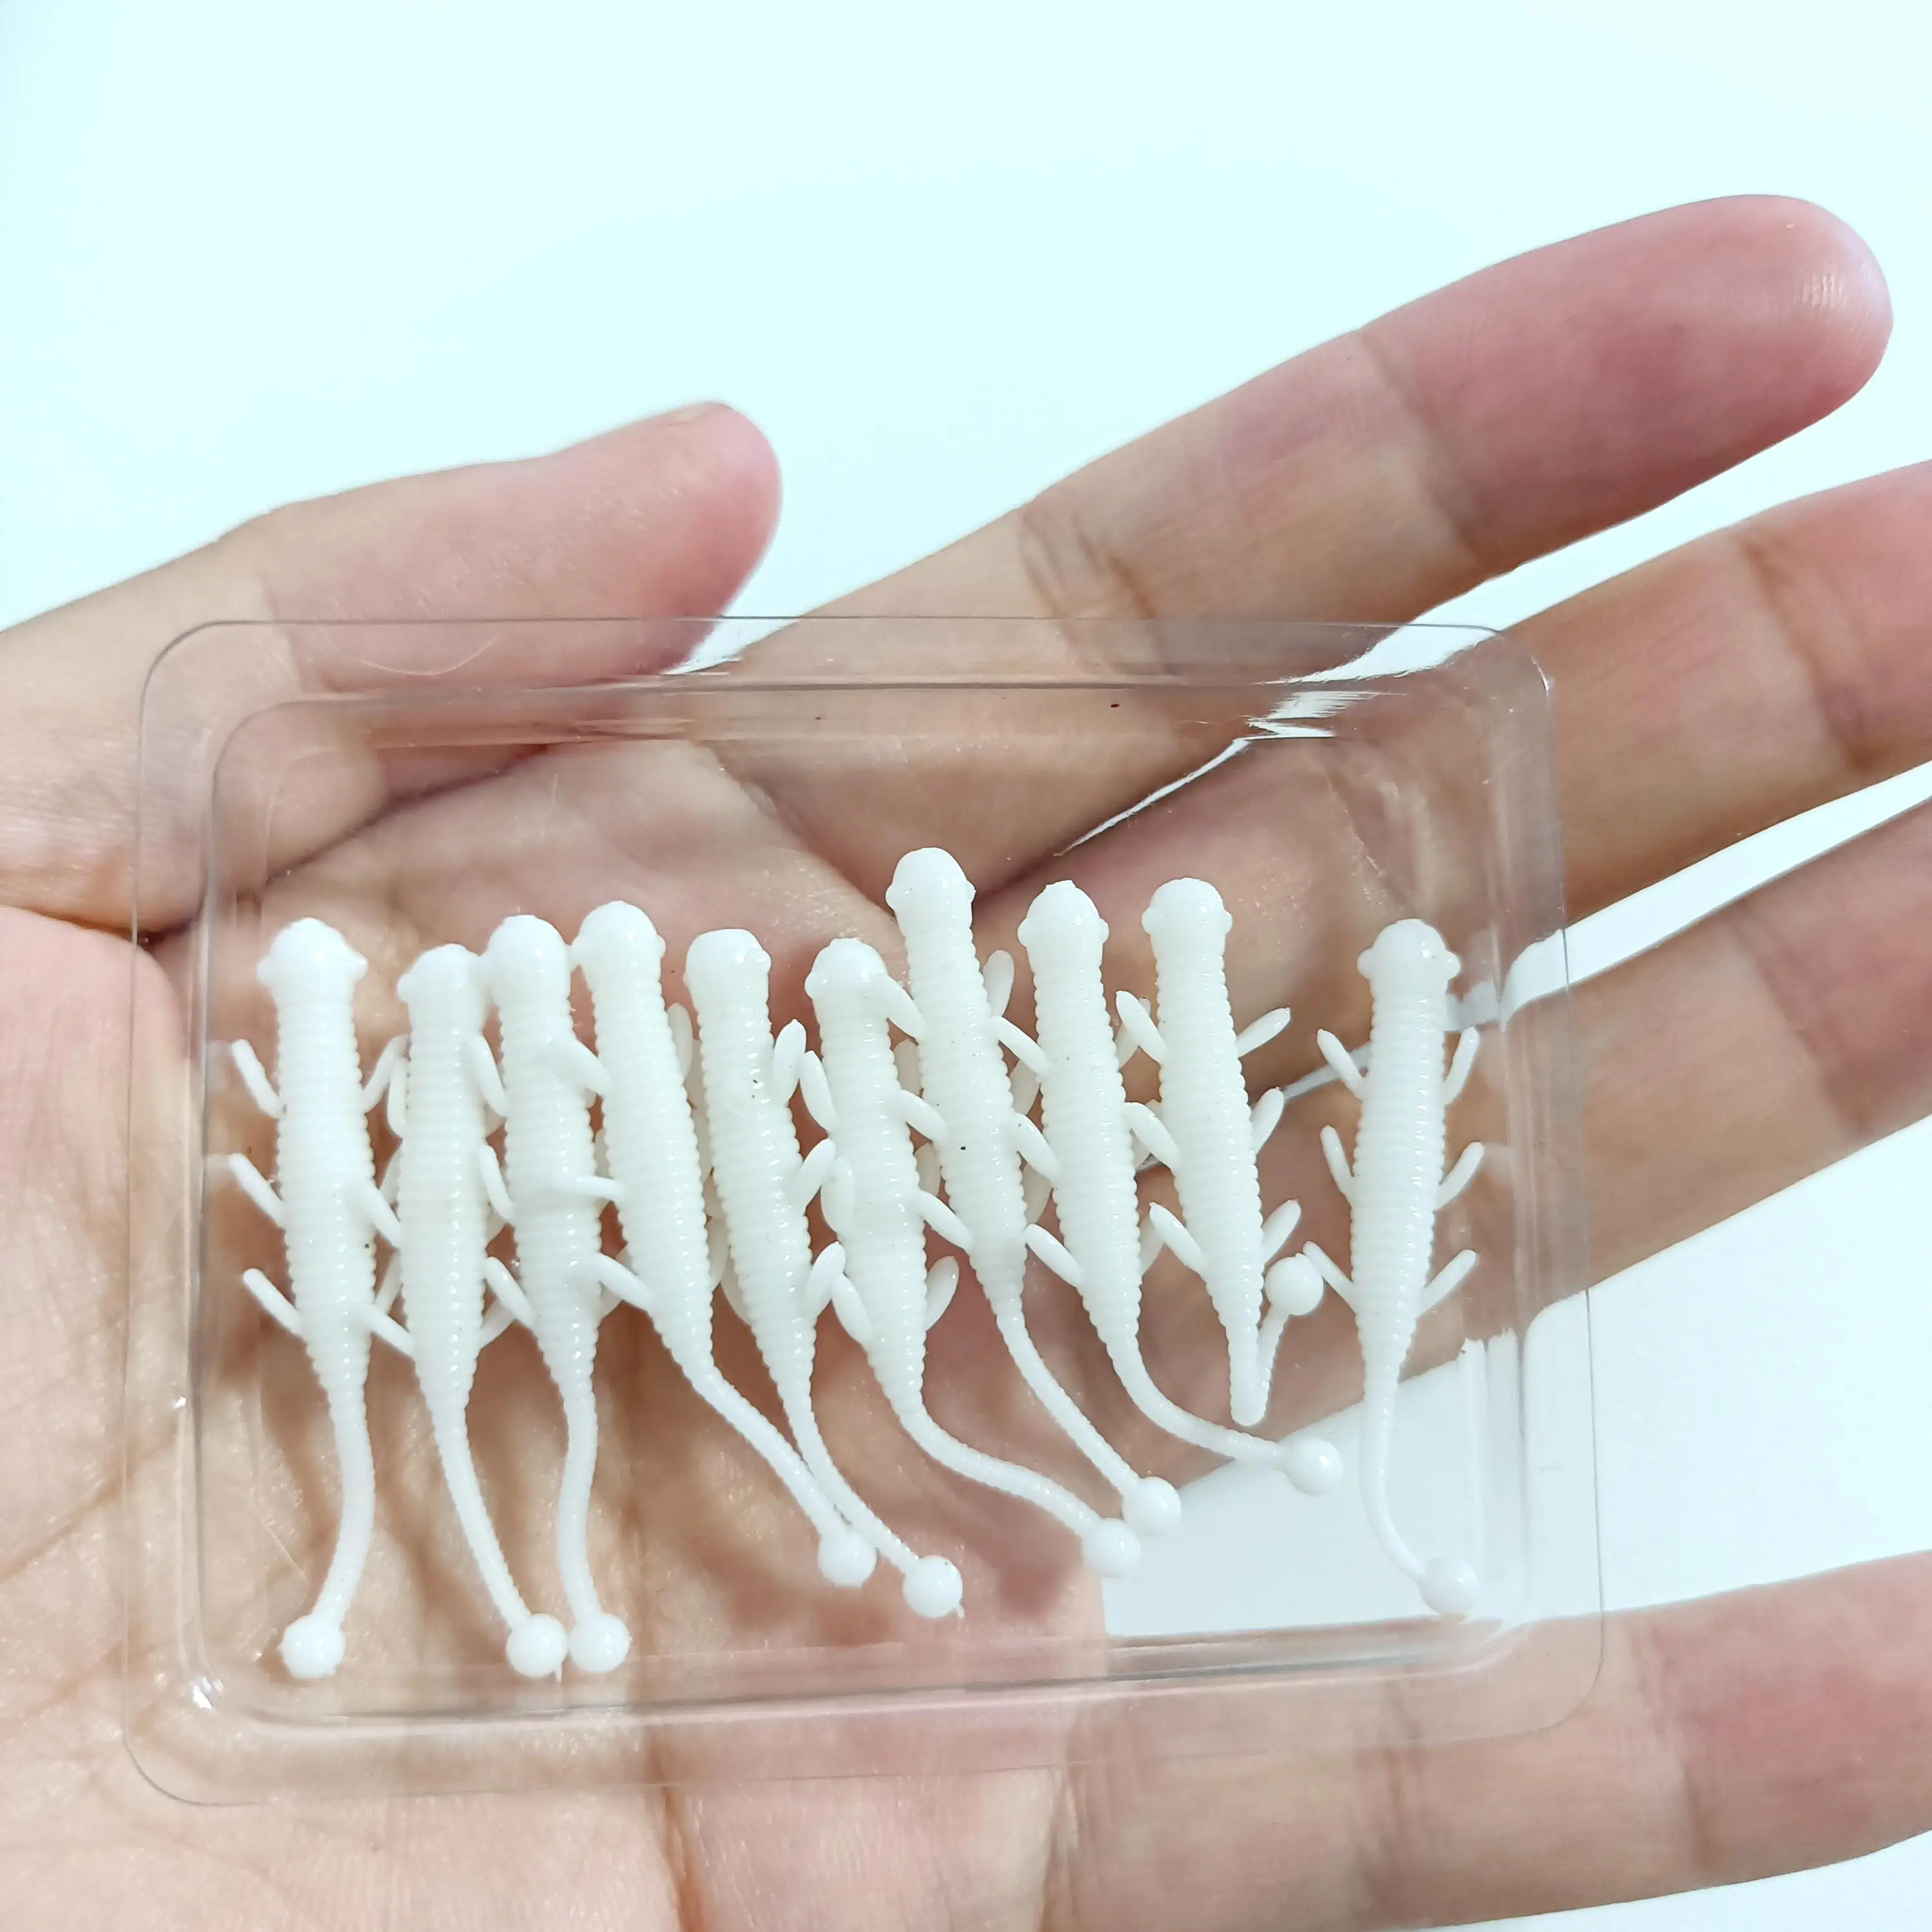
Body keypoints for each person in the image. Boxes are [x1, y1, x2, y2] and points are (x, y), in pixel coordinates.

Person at [1, 194, 1926, 1930]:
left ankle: (553, 1567)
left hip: (754, 1201)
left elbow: (913, 1124)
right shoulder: (573, 1097)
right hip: (601, 1227)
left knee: (698, 1385)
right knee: (616, 1394)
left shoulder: (931, 1076)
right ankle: (525, 1570)